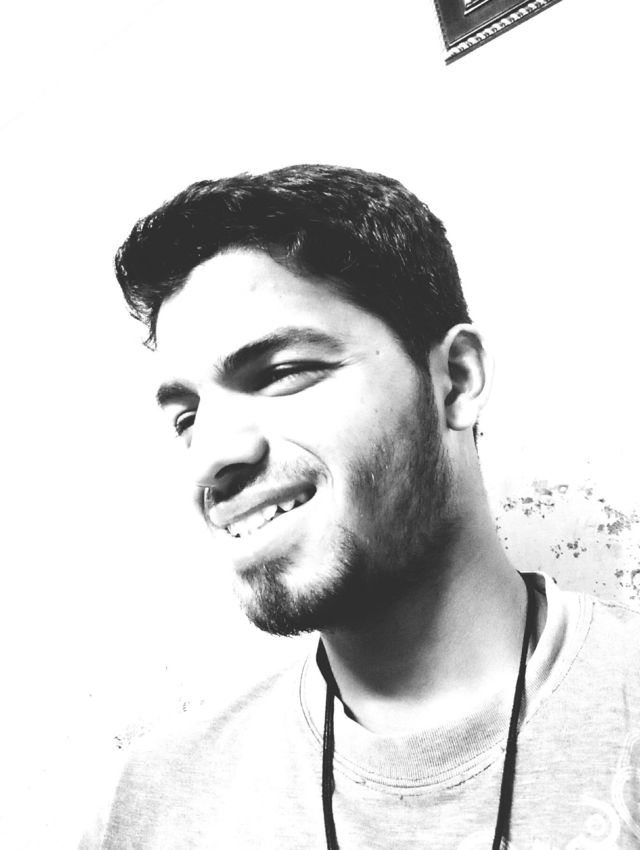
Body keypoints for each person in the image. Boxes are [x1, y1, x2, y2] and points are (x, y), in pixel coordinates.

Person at [81, 165, 640, 849]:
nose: (210, 459)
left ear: (456, 380)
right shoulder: (150, 804)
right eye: (187, 418)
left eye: (281, 373)